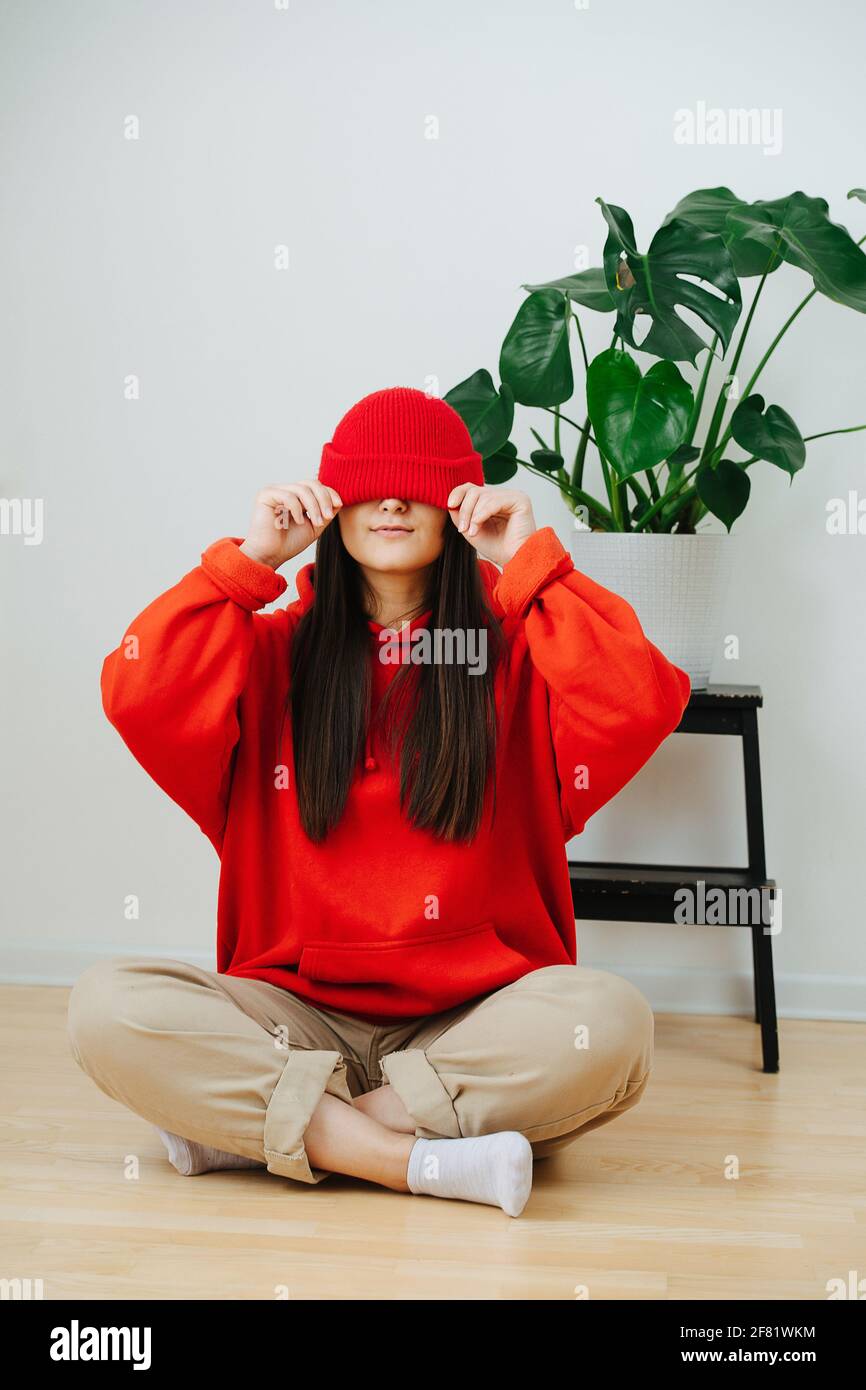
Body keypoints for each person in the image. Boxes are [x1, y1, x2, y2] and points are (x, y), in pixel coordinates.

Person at [67, 386, 691, 1218]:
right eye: (367, 482)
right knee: (106, 1008)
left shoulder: (513, 655)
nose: (393, 498)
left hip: (473, 1023)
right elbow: (136, 691)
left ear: (457, 508)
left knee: (611, 1022)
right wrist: (248, 562)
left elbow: (641, 698)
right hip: (291, 1018)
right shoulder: (267, 655)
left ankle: (278, 1131)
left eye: (418, 484)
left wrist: (531, 560)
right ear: (331, 504)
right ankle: (416, 1161)